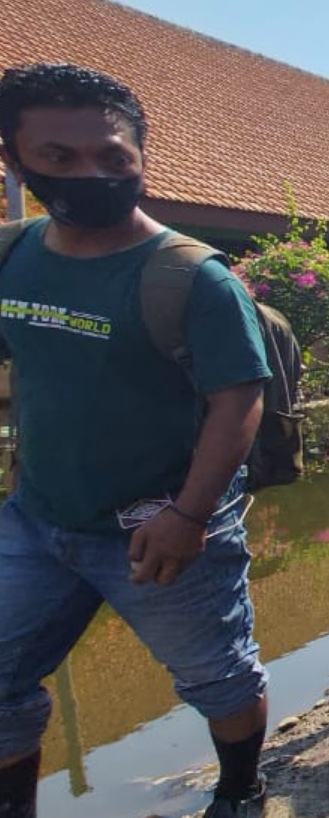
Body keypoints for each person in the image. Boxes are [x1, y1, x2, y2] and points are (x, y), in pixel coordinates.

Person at [0, 62, 271, 818]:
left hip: (161, 518)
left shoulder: (190, 277)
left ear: (141, 157)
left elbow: (238, 402)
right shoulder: (11, 257)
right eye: (60, 157)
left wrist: (188, 515)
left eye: (112, 156)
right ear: (15, 160)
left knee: (217, 677)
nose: (91, 174)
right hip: (38, 518)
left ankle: (240, 790)